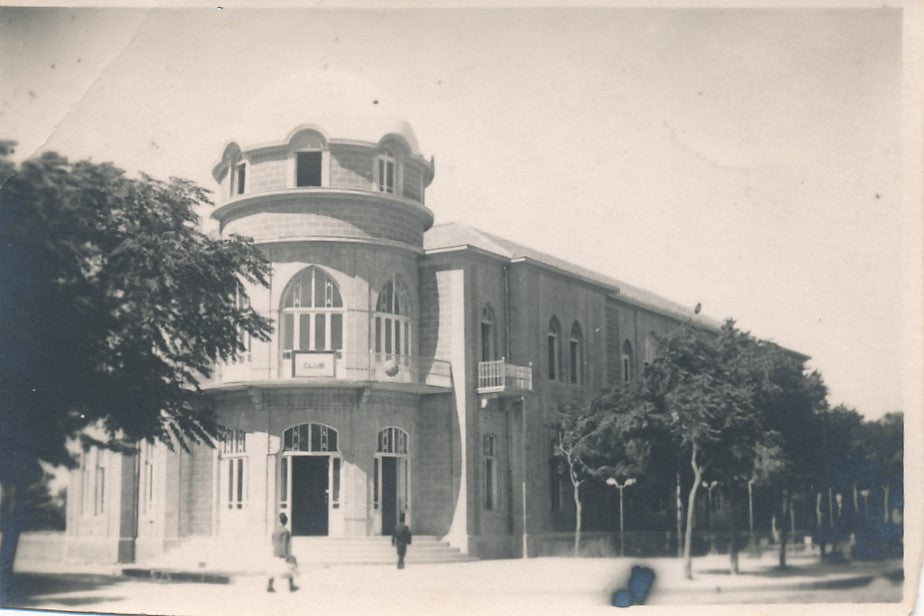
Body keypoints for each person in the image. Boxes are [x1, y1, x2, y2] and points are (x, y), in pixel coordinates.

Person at [267, 513, 298, 592]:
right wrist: (286, 555)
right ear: (286, 521)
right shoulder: (285, 531)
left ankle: (270, 586)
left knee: (273, 570)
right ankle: (291, 586)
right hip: (282, 553)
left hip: (275, 552)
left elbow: (273, 541)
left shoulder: (275, 530)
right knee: (290, 569)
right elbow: (285, 544)